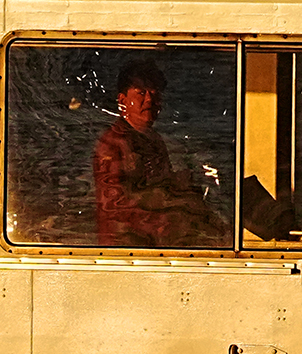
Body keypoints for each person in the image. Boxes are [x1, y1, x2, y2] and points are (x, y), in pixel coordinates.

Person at [92, 58, 220, 248]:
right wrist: (170, 220)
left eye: (155, 94)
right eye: (141, 93)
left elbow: (159, 186)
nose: (150, 100)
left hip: (154, 242)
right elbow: (114, 205)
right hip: (127, 247)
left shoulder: (153, 139)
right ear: (122, 101)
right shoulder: (112, 144)